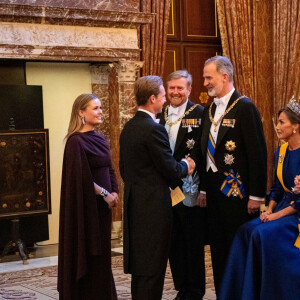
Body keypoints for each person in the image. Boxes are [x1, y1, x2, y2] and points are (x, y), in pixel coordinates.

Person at [191, 55, 267, 295]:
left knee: (237, 248)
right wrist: (203, 188)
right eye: (204, 78)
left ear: (225, 77)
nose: (204, 82)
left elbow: (257, 154)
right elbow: (205, 152)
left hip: (238, 194)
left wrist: (256, 194)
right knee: (218, 248)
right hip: (213, 194)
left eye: (208, 77)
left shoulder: (245, 107)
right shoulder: (209, 108)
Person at [119, 75, 195, 300]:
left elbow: (124, 169)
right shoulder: (153, 129)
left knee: (141, 268)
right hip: (153, 209)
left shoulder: (129, 127)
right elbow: (170, 169)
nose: (165, 100)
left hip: (135, 204)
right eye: (162, 95)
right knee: (153, 268)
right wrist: (187, 165)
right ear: (153, 98)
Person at [219, 97, 300, 300]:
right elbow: (275, 189)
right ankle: (239, 293)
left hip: (296, 214)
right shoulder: (281, 151)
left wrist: (276, 216)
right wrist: (268, 210)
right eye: (277, 122)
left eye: (282, 122)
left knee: (260, 235)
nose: (277, 127)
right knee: (245, 230)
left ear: (296, 126)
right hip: (280, 208)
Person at [58, 93, 119, 300]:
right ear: (81, 112)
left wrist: (114, 192)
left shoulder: (99, 137)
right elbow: (81, 179)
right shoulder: (75, 142)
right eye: (95, 108)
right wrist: (104, 194)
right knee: (90, 253)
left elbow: (109, 168)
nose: (100, 111)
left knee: (103, 255)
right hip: (86, 209)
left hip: (103, 208)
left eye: (101, 107)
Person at [157, 70, 206, 300]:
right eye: (172, 88)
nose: (176, 92)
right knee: (173, 240)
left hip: (190, 187)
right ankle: (181, 287)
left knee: (192, 239)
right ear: (166, 90)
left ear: (189, 89)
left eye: (180, 88)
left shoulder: (200, 113)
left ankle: (194, 289)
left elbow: (204, 150)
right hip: (166, 188)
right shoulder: (160, 113)